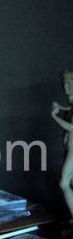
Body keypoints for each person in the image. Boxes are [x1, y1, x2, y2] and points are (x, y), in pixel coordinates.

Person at [52, 70, 73, 222]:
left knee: (64, 183)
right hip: (69, 149)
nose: (65, 87)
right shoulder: (71, 105)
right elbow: (69, 109)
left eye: (69, 83)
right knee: (70, 183)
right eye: (64, 83)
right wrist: (61, 107)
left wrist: (54, 116)